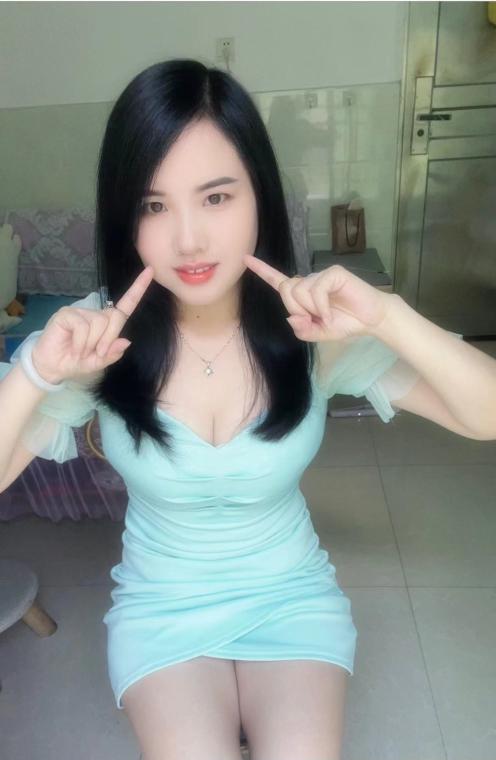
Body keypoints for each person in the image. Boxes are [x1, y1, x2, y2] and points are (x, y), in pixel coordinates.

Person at [0, 59, 430, 760]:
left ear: (259, 195)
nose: (189, 240)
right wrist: (35, 371)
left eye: (216, 197)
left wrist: (388, 316)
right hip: (162, 610)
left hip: (290, 597)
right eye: (153, 205)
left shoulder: (313, 326)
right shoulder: (97, 337)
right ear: (126, 218)